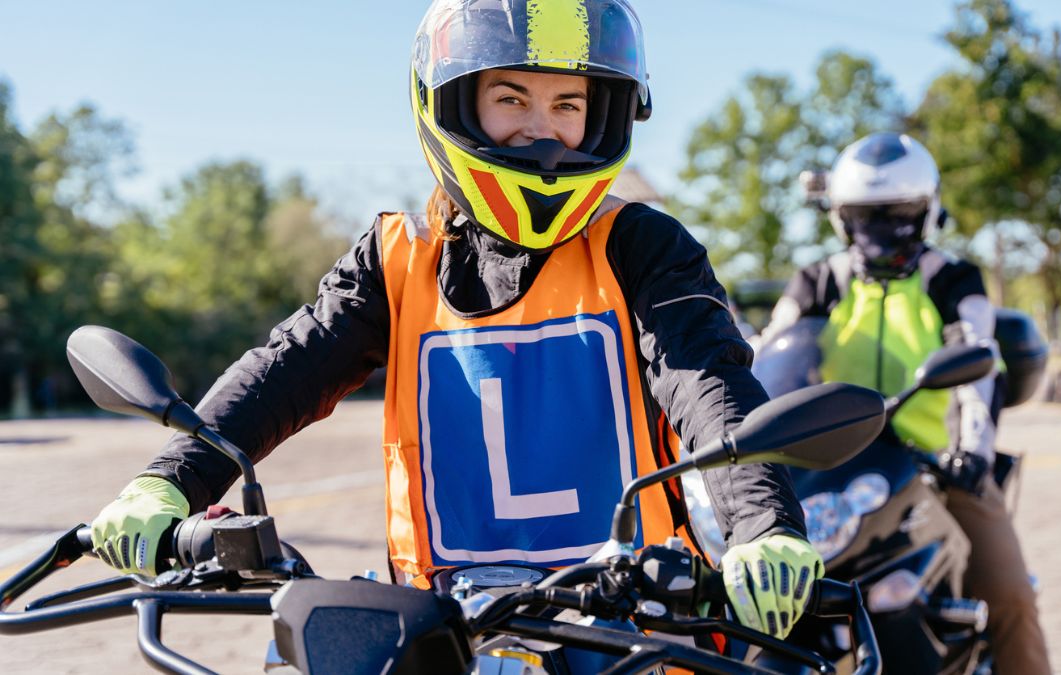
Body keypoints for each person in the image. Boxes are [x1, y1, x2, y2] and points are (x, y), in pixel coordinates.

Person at [88, 0, 823, 643]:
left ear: (603, 115)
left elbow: (706, 380)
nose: (543, 132)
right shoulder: (396, 257)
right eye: (512, 98)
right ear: (453, 104)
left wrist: (764, 524)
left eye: (568, 104)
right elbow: (290, 367)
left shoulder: (641, 242)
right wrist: (170, 481)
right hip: (444, 635)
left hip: (635, 634)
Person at [762, 132, 1051, 673]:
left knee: (1010, 596)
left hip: (937, 467)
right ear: (841, 218)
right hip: (828, 469)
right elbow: (772, 356)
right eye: (866, 217)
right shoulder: (817, 282)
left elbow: (977, 360)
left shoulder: (953, 280)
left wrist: (972, 453)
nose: (882, 231)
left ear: (927, 213)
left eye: (898, 215)